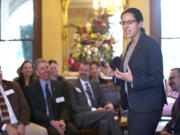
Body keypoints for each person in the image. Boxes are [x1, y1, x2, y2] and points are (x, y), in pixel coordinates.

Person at [103, 8, 167, 135]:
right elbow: (126, 76)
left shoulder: (151, 44)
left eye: (130, 22)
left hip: (148, 106)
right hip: (134, 106)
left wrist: (133, 80)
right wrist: (114, 75)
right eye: (123, 23)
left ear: (140, 23)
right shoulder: (129, 46)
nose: (125, 26)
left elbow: (157, 77)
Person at [25, 58, 79, 135]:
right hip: (44, 122)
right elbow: (34, 112)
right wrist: (52, 122)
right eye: (42, 68)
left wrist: (62, 120)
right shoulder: (31, 89)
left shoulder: (59, 85)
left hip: (60, 120)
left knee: (74, 132)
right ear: (37, 73)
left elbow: (65, 106)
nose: (46, 70)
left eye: (47, 67)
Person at [68, 61, 122, 135]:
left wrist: (109, 104)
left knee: (104, 123)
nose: (83, 72)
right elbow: (74, 107)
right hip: (81, 117)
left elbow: (103, 99)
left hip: (96, 117)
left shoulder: (94, 84)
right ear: (78, 70)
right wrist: (94, 110)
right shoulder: (72, 85)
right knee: (108, 113)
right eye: (81, 70)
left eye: (86, 70)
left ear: (90, 72)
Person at [0, 66, 48, 135]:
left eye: (0, 70)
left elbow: (25, 107)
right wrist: (5, 127)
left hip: (18, 123)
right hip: (2, 127)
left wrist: (22, 123)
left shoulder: (13, 85)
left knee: (42, 131)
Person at [161, 68, 180, 135]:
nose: (169, 82)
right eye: (169, 79)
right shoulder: (177, 102)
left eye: (172, 78)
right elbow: (172, 122)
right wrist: (164, 130)